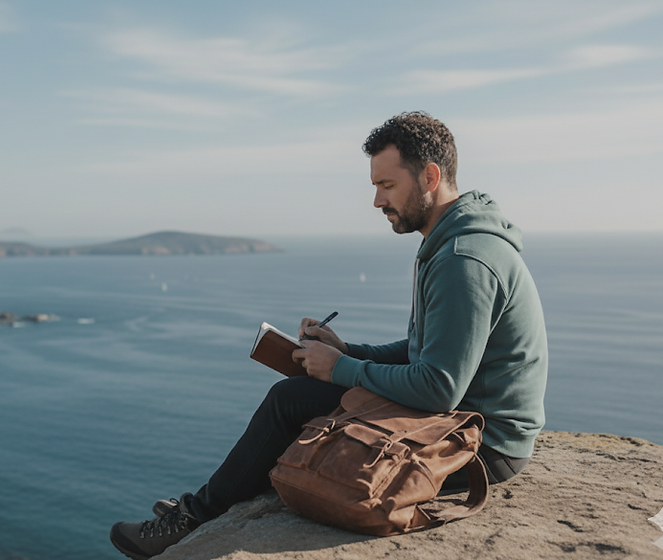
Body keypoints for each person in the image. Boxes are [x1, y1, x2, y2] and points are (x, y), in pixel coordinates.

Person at [109, 111, 548, 560]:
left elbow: (438, 388)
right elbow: (423, 353)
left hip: (483, 442)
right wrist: (347, 352)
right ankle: (213, 506)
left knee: (291, 401)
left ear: (430, 176)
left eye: (387, 185)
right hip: (463, 418)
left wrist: (341, 369)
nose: (377, 200)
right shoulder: (449, 243)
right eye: (375, 186)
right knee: (300, 396)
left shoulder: (463, 259)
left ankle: (196, 517)